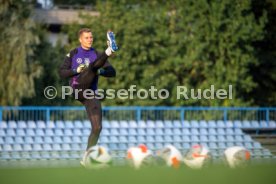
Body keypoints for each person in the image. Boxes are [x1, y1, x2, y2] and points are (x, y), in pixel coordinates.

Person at [59, 28, 118, 165]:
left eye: (91, 37)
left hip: (90, 93)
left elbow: (112, 72)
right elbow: (61, 72)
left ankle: (87, 157)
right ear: (80, 39)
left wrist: (101, 71)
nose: (90, 40)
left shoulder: (96, 53)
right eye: (87, 38)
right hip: (78, 88)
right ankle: (109, 50)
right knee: (92, 67)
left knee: (97, 128)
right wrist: (75, 70)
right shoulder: (74, 53)